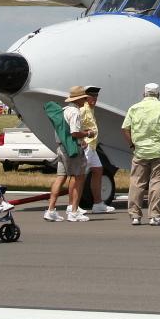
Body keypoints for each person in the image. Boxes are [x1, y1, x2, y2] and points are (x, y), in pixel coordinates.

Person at [122, 83, 160, 226]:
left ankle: (135, 215)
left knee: (137, 182)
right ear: (158, 94)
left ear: (144, 94)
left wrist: (132, 145)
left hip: (140, 150)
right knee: (157, 182)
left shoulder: (134, 108)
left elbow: (125, 128)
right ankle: (155, 216)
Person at [44, 86, 96, 222]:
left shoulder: (64, 110)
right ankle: (73, 211)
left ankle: (50, 210)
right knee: (79, 177)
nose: (85, 100)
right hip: (71, 149)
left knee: (60, 177)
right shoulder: (75, 112)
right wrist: (88, 133)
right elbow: (74, 133)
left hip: (61, 147)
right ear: (80, 99)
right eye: (84, 98)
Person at [79, 86, 116, 215]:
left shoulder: (90, 109)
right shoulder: (83, 110)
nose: (94, 99)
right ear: (85, 97)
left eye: (96, 97)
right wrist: (81, 139)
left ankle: (98, 203)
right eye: (92, 96)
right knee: (80, 176)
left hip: (92, 146)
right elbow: (75, 126)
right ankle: (73, 205)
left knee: (98, 170)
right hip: (86, 146)